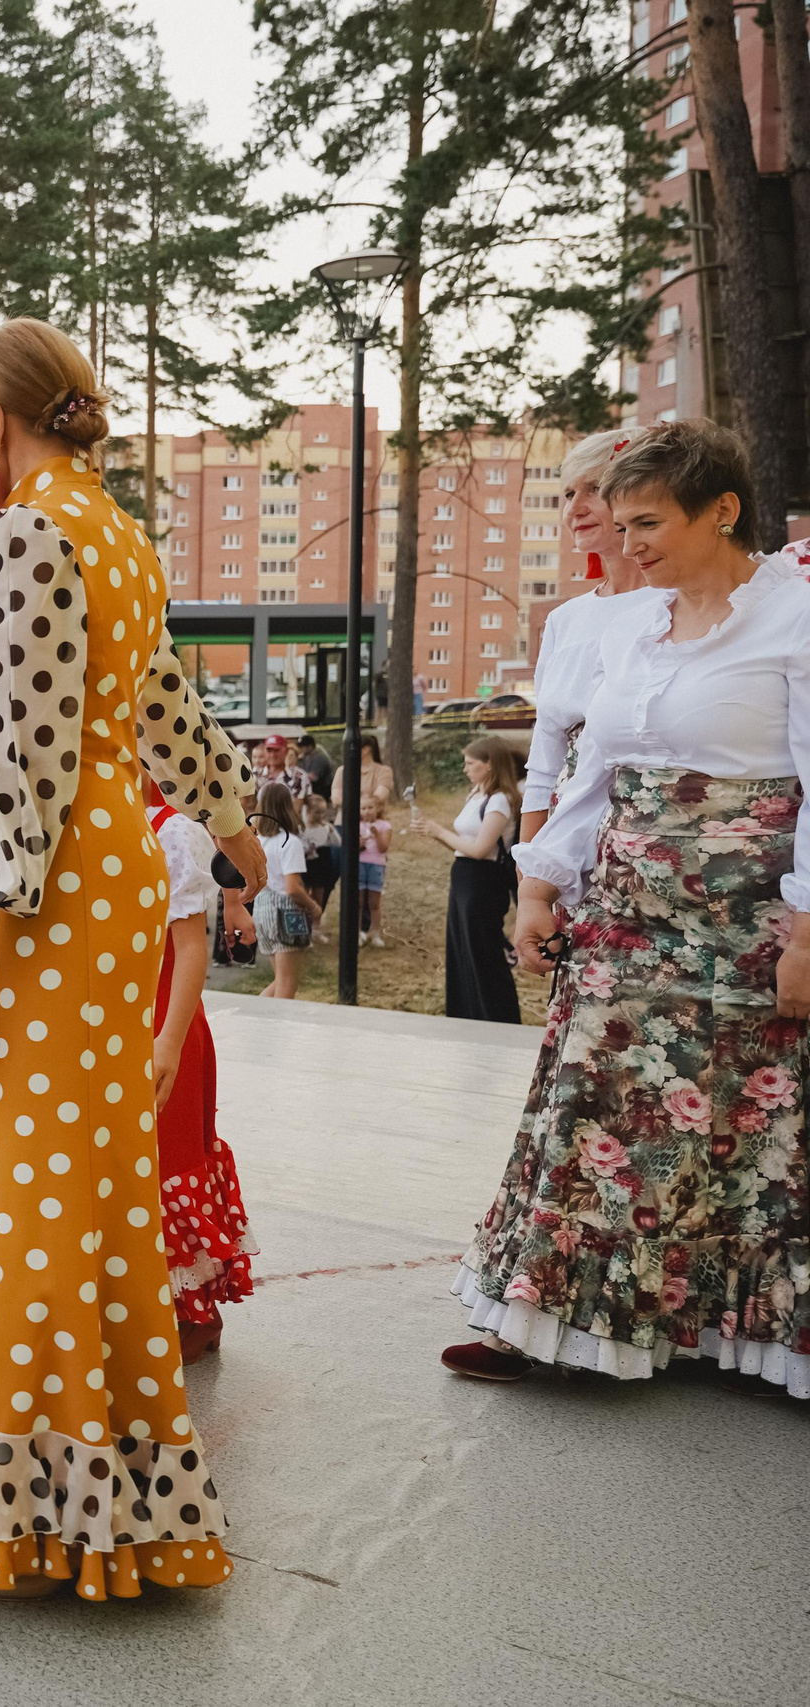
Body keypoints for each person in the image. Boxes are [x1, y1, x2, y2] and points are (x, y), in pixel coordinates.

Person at [0, 318, 262, 1602]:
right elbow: (168, 713)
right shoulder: (118, 534)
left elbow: (15, 764)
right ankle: (84, 1477)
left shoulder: (21, 529)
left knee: (33, 1171)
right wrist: (243, 840)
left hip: (51, 889)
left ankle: (33, 1496)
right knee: (76, 1173)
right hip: (111, 876)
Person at [449, 416, 810, 1397]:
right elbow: (591, 768)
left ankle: (733, 1340)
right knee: (598, 1115)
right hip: (623, 914)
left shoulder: (796, 615)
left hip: (747, 920)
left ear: (722, 510)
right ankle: (571, 1329)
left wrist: (807, 931)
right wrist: (537, 882)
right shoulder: (634, 624)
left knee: (747, 1133)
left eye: (646, 521)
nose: (627, 540)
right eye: (620, 520)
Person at [146, 780, 256, 1362]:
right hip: (110, 1021)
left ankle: (192, 1311)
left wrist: (167, 1039)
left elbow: (190, 948)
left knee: (172, 1155)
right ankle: (139, 1302)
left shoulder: (173, 829)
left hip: (168, 1021)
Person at [522, 430, 658, 841]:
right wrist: (528, 859)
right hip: (566, 839)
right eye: (567, 494)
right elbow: (545, 752)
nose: (575, 508)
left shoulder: (679, 604)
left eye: (595, 489)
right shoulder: (565, 620)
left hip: (648, 836)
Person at [414, 737, 522, 1023]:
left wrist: (437, 831)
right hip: (464, 876)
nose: (465, 769)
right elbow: (464, 845)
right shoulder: (477, 794)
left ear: (489, 766)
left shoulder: (500, 800)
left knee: (483, 952)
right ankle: (465, 1014)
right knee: (461, 948)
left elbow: (480, 849)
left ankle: (496, 1018)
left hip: (483, 882)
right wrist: (437, 835)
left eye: (471, 764)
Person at [252, 783, 317, 999]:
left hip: (262, 909)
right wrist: (314, 907)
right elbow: (292, 888)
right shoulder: (290, 842)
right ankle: (278, 1029)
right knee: (288, 985)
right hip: (286, 913)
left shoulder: (258, 841)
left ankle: (255, 1017)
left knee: (280, 979)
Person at [354, 794, 392, 946]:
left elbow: (383, 848)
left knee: (374, 902)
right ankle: (356, 932)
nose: (367, 811)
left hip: (376, 865)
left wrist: (376, 835)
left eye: (370, 807)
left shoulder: (385, 826)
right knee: (358, 901)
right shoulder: (355, 825)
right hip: (359, 864)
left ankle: (375, 932)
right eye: (363, 808)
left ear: (378, 809)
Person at [300, 794, 341, 921]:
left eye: (323, 812)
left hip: (321, 864)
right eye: (317, 812)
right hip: (305, 865)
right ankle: (304, 923)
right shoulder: (301, 828)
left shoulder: (325, 828)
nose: (320, 816)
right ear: (307, 810)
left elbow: (337, 842)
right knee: (303, 896)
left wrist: (331, 830)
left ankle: (316, 926)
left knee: (319, 895)